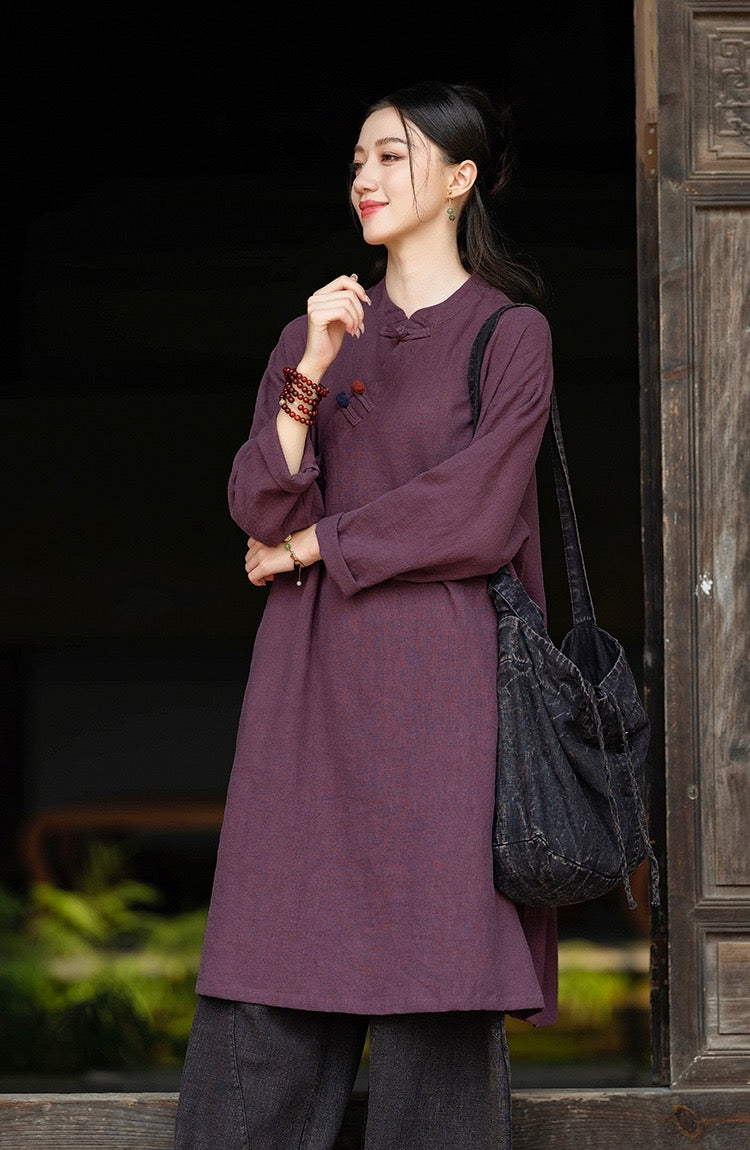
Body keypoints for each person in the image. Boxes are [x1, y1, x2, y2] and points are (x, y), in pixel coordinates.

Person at [174, 79, 558, 1150]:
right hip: (306, 686)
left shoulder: (508, 334)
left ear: (461, 176)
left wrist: (312, 547)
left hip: (442, 694)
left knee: (437, 972)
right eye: (357, 160)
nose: (365, 178)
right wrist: (309, 368)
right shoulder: (315, 329)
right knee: (273, 953)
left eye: (391, 156)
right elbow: (259, 502)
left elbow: (473, 513)